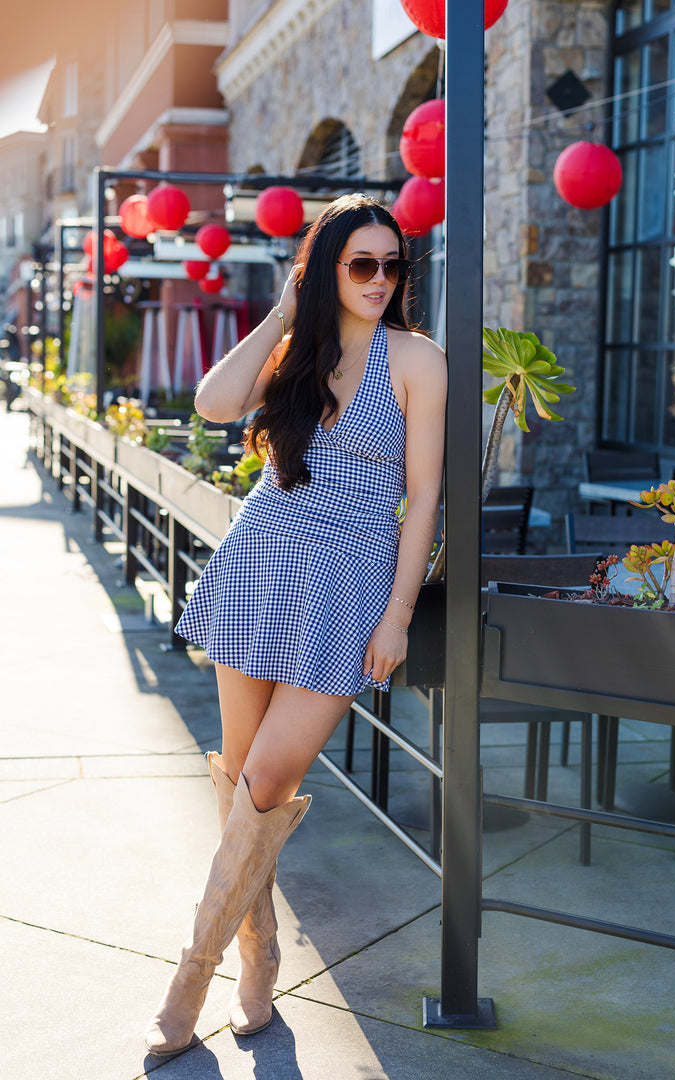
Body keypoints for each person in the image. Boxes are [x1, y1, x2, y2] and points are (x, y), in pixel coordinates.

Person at [143, 192, 447, 1056]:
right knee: (240, 773)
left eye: (395, 265)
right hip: (262, 558)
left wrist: (398, 612)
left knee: (266, 782)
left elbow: (421, 495)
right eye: (362, 264)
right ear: (326, 270)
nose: (382, 279)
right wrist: (284, 305)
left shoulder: (418, 360)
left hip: (350, 578)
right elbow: (212, 402)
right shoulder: (296, 348)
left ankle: (187, 982)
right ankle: (260, 959)